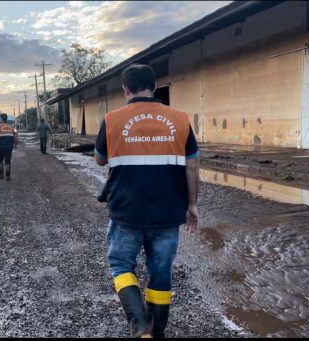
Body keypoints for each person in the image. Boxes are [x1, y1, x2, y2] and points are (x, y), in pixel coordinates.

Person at [94, 64, 200, 338]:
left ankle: (140, 326)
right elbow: (193, 165)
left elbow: (100, 158)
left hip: (126, 210)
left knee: (120, 264)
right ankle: (158, 331)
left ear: (125, 89)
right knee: (161, 271)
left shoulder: (112, 119)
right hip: (168, 212)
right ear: (154, 86)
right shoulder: (180, 119)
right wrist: (192, 205)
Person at [0, 113, 18, 180]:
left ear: (1, 119)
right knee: (8, 161)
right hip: (9, 147)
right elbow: (15, 136)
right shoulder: (11, 127)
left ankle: (1, 175)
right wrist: (15, 144)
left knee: (0, 161)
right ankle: (8, 176)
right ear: (6, 118)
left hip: (0, 147)